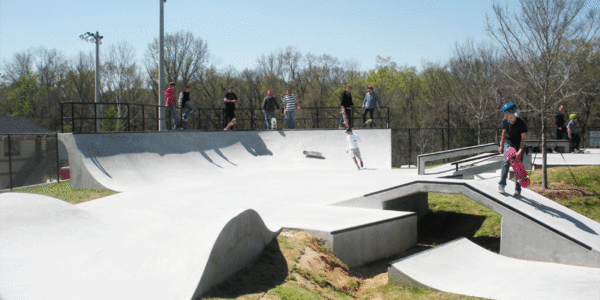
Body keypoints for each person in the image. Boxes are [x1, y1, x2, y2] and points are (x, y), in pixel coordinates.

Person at [498, 102, 527, 196]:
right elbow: (503, 133)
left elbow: (523, 138)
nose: (504, 115)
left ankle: (517, 189)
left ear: (511, 113)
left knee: (517, 165)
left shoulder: (521, 123)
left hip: (518, 144)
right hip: (508, 142)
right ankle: (501, 184)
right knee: (506, 161)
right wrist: (501, 145)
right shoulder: (505, 121)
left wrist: (520, 150)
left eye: (506, 113)